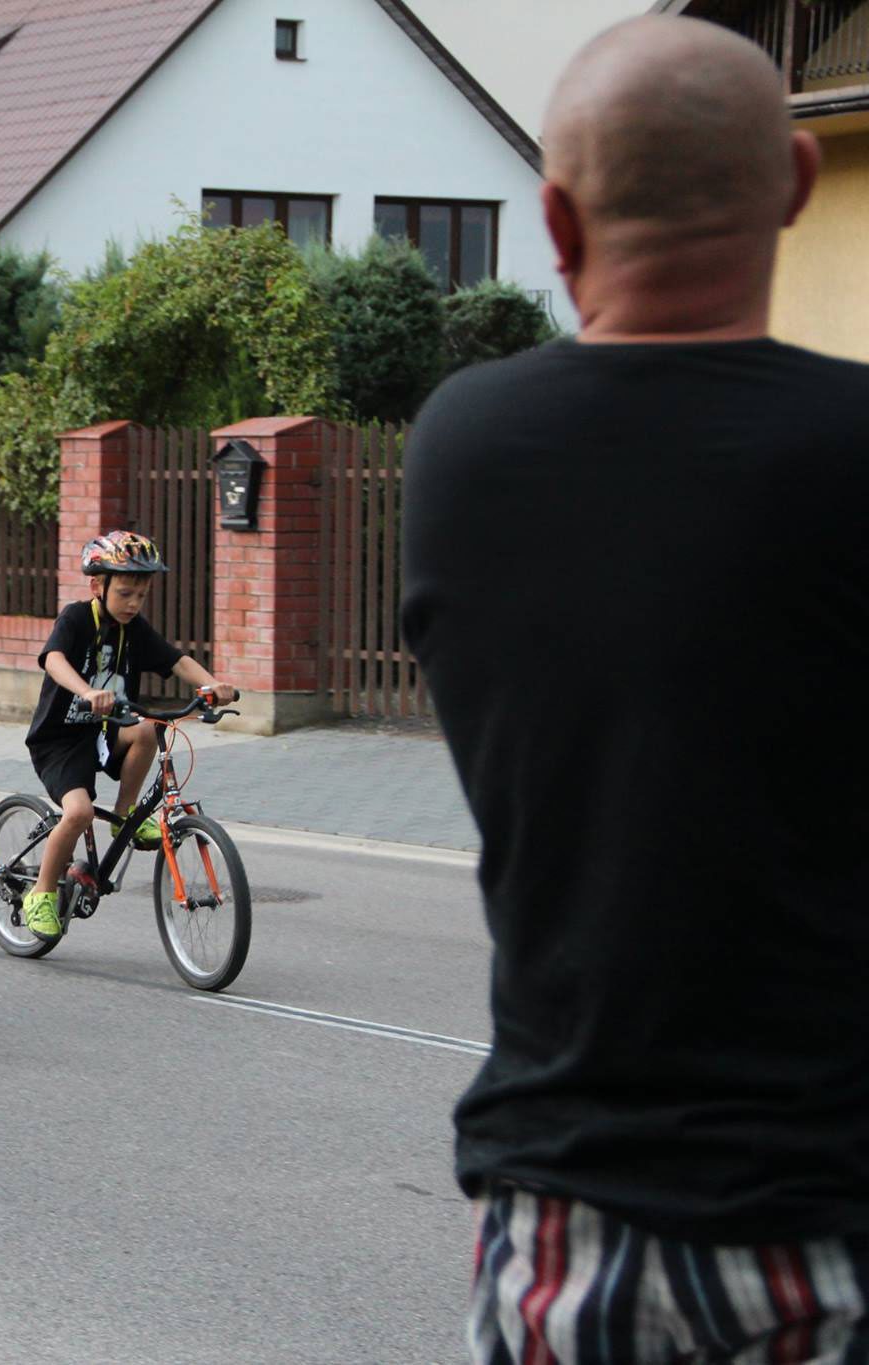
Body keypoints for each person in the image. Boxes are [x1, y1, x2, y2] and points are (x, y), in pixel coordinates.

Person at [399, 16, 869, 1362]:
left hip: (571, 1220)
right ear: (796, 182)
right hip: (838, 1212)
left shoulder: (467, 448)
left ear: (554, 217)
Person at [21, 531, 235, 938]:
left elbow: (176, 660)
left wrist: (212, 685)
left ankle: (124, 817)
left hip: (103, 735)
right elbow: (53, 659)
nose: (134, 603)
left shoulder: (134, 630)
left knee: (148, 730)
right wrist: (86, 691)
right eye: (124, 593)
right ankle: (41, 894)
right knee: (80, 813)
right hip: (60, 742)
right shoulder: (77, 618)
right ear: (96, 586)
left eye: (141, 594)